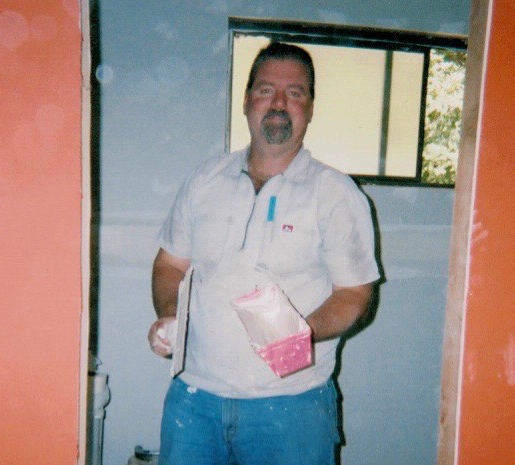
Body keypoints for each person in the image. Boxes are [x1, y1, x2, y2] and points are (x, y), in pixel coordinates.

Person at [148, 42, 380, 465]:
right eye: (266, 90)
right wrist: (169, 316)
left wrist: (303, 332)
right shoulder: (204, 181)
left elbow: (356, 294)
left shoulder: (335, 193)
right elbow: (170, 264)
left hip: (292, 408)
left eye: (295, 92)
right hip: (194, 402)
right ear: (246, 100)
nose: (278, 103)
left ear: (310, 108)